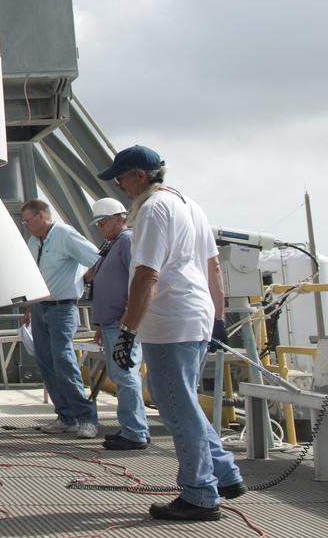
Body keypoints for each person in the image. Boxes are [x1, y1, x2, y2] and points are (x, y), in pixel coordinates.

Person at [102, 145, 245, 522]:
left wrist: (127, 331)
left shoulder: (151, 210)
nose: (119, 186)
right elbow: (214, 268)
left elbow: (147, 274)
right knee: (186, 403)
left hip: (170, 321)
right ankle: (226, 474)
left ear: (140, 176)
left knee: (176, 409)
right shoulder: (191, 206)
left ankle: (199, 494)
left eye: (121, 178)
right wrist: (217, 320)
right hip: (195, 317)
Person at [20, 198, 101, 438]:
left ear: (42, 216)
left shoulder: (65, 234)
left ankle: (86, 418)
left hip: (62, 308)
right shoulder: (34, 241)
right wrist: (29, 306)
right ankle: (66, 416)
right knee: (46, 362)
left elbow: (97, 260)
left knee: (63, 361)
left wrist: (83, 281)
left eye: (28, 220)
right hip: (40, 308)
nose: (25, 225)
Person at [82, 197, 150, 450]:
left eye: (104, 220)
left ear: (120, 218)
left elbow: (138, 279)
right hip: (111, 323)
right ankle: (134, 427)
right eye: (98, 222)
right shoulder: (112, 244)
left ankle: (134, 432)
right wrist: (100, 324)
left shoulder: (127, 241)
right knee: (121, 374)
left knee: (125, 373)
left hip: (121, 323)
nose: (100, 226)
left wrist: (127, 316)